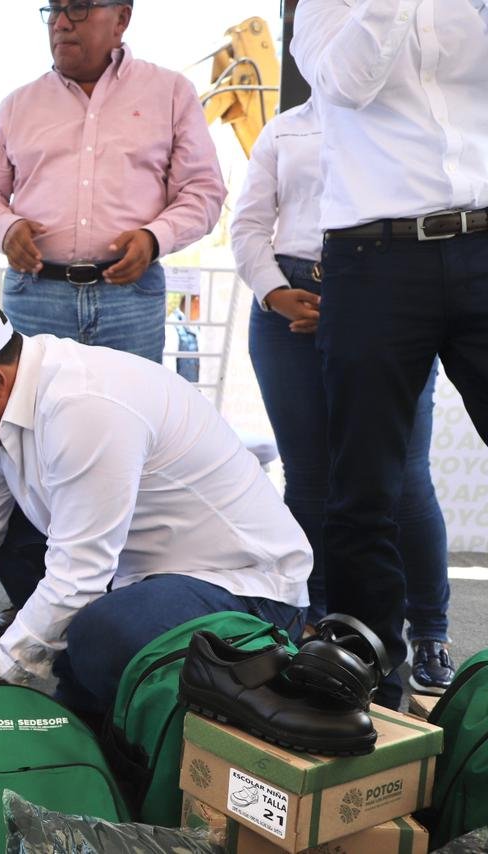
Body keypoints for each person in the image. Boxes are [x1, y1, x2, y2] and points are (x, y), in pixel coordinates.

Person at [0, 295, 311, 717]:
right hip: (140, 574)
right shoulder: (1, 407)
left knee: (98, 633)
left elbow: (78, 575)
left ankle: (127, 698)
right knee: (21, 550)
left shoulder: (85, 406)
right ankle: (92, 688)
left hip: (245, 590)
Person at [0, 0, 227, 644]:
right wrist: (7, 227)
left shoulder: (170, 92)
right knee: (22, 447)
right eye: (53, 9)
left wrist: (155, 237)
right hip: (36, 294)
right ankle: (33, 606)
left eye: (79, 8)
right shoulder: (19, 104)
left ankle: (119, 609)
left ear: (123, 17)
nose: (62, 23)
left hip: (128, 297)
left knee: (126, 451)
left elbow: (204, 191)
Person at [292, 0, 488, 707]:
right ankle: (375, 692)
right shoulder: (325, 7)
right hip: (375, 260)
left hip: (484, 240)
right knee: (364, 486)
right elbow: (345, 84)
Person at [231, 99, 455, 694]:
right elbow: (249, 224)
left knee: (403, 477)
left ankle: (430, 628)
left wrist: (355, 307)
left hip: (387, 294)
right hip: (288, 298)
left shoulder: (409, 116)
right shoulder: (283, 128)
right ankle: (320, 621)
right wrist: (276, 293)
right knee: (308, 477)